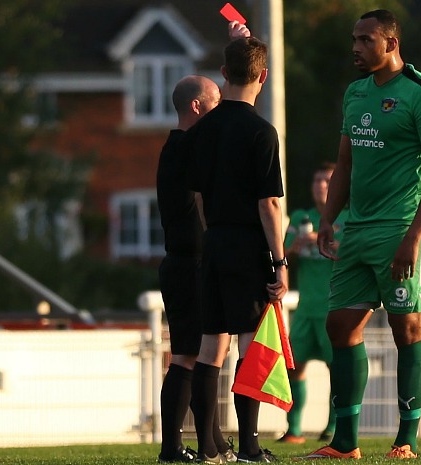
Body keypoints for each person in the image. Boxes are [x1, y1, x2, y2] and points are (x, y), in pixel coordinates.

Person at [298, 9, 421, 460]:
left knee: (408, 328)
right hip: (358, 229)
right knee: (339, 326)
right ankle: (345, 443)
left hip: (404, 227)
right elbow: (344, 163)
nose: (356, 48)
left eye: (365, 40)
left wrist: (413, 238)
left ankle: (407, 439)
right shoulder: (355, 93)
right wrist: (329, 218)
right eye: (354, 40)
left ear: (390, 43)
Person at [185, 31, 288, 464]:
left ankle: (208, 445)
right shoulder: (262, 132)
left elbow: (200, 195)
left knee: (211, 347)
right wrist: (280, 261)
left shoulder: (202, 128)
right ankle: (248, 445)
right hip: (248, 245)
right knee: (250, 344)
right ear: (264, 76)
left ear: (224, 73)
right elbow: (268, 204)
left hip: (215, 242)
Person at [156, 75, 236, 463]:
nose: (220, 106)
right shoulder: (185, 148)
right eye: (215, 100)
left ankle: (213, 442)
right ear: (196, 107)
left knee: (208, 355)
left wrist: (233, 72)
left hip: (195, 263)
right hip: (187, 265)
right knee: (187, 356)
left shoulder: (182, 147)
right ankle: (172, 448)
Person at [277, 163, 347, 445]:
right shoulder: (301, 216)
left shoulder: (349, 216)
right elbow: (280, 252)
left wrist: (326, 241)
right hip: (306, 308)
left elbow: (357, 250)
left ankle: (332, 428)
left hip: (335, 307)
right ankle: (294, 430)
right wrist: (296, 245)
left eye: (328, 180)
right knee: (295, 367)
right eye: (318, 180)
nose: (321, 185)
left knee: (338, 370)